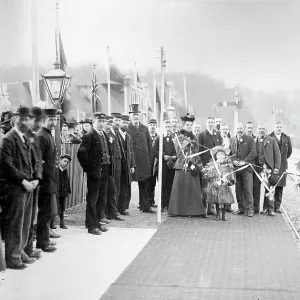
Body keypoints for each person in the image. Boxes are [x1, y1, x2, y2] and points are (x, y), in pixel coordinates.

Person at [0, 106, 42, 269]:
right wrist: (23, 180)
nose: (24, 121)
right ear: (13, 120)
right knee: (15, 223)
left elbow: (37, 160)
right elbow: (6, 164)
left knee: (26, 221)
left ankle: (21, 251)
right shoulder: (8, 139)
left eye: (27, 118)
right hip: (16, 187)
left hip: (29, 185)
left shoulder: (28, 136)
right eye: (21, 118)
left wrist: (37, 179)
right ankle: (13, 257)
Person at [77, 112, 111, 235]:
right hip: (95, 173)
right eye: (98, 121)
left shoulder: (105, 135)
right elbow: (81, 155)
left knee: (102, 199)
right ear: (94, 122)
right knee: (93, 199)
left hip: (105, 172)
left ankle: (97, 222)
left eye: (103, 121)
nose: (101, 124)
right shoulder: (89, 136)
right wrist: (89, 170)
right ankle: (92, 226)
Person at [168, 113, 205, 217]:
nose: (189, 126)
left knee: (193, 190)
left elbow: (196, 151)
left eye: (190, 125)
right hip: (182, 165)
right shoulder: (178, 138)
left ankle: (193, 211)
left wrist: (197, 164)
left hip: (193, 165)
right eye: (187, 125)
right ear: (183, 125)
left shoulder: (195, 138)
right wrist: (188, 162)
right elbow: (179, 153)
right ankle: (178, 211)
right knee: (180, 189)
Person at [36, 109, 60, 252]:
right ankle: (42, 243)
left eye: (55, 119)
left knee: (46, 211)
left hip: (49, 180)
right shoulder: (41, 136)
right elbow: (39, 162)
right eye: (50, 119)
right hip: (44, 181)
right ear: (44, 120)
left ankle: (44, 240)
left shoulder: (47, 135)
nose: (53, 122)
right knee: (44, 212)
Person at [23, 106, 44, 260]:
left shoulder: (35, 136)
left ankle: (29, 248)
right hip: (25, 183)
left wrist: (38, 178)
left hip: (34, 182)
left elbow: (38, 161)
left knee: (31, 217)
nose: (40, 124)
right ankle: (22, 250)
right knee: (24, 219)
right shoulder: (24, 135)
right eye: (39, 121)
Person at [127, 104, 155, 213]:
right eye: (134, 114)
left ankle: (145, 205)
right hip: (132, 161)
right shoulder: (127, 128)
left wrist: (150, 160)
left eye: (137, 114)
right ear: (130, 116)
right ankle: (123, 207)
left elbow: (149, 145)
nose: (135, 116)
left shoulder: (145, 128)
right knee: (127, 184)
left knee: (144, 184)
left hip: (143, 161)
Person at [253, 123, 281, 216]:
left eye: (263, 129)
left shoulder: (272, 140)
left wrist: (276, 167)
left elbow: (277, 155)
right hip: (257, 168)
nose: (261, 130)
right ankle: (256, 208)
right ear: (257, 130)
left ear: (266, 130)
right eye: (259, 128)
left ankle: (269, 209)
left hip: (268, 168)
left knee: (269, 189)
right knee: (256, 189)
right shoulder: (254, 140)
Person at [230, 122, 257, 217]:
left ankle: (250, 210)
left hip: (247, 169)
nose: (239, 130)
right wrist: (233, 161)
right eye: (237, 128)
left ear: (244, 129)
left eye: (241, 128)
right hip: (236, 169)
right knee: (238, 190)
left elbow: (253, 153)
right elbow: (230, 154)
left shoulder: (250, 139)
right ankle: (241, 208)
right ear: (235, 129)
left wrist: (244, 161)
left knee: (248, 189)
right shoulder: (232, 139)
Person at [198, 116, 223, 215]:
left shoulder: (218, 135)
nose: (210, 124)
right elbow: (199, 151)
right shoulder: (201, 135)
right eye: (209, 122)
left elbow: (220, 150)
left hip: (215, 166)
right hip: (206, 165)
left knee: (214, 187)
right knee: (205, 188)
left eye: (212, 122)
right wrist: (202, 165)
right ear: (206, 123)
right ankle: (204, 208)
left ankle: (212, 208)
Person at [203, 146, 235, 221]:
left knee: (224, 200)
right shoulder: (213, 164)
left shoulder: (227, 165)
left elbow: (231, 174)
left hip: (224, 185)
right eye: (219, 155)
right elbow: (208, 174)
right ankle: (217, 214)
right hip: (216, 185)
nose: (221, 156)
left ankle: (223, 215)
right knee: (217, 200)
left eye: (222, 155)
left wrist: (228, 180)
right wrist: (213, 179)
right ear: (216, 156)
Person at [104, 116, 124, 221]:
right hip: (111, 162)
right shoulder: (107, 133)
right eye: (108, 122)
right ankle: (108, 212)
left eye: (111, 121)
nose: (110, 123)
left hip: (118, 161)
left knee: (115, 188)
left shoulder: (116, 132)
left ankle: (113, 211)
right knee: (110, 189)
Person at [268, 121, 292, 213]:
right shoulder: (269, 137)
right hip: (272, 165)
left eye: (280, 127)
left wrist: (283, 161)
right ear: (274, 127)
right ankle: (270, 206)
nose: (279, 128)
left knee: (280, 187)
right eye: (277, 127)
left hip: (282, 166)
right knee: (271, 186)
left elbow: (289, 151)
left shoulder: (286, 138)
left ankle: (277, 206)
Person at [153, 120, 176, 211]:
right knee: (162, 186)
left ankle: (169, 204)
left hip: (171, 166)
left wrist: (175, 156)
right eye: (166, 127)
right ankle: (162, 205)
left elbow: (177, 151)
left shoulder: (174, 139)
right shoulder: (158, 138)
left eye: (169, 127)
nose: (168, 129)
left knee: (170, 186)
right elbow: (153, 151)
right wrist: (163, 156)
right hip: (162, 166)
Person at [117, 115, 136, 215]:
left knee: (127, 187)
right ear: (119, 123)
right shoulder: (116, 135)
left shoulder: (128, 136)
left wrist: (132, 165)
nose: (125, 124)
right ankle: (119, 208)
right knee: (120, 187)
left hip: (127, 165)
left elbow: (131, 152)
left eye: (127, 123)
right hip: (119, 165)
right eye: (123, 122)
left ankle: (124, 207)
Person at [57, 154, 72, 229]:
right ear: (60, 161)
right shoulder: (56, 170)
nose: (66, 163)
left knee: (62, 208)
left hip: (63, 192)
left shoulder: (65, 171)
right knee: (54, 207)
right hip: (57, 191)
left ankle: (62, 222)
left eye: (67, 162)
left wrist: (68, 190)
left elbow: (67, 181)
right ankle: (51, 223)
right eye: (64, 161)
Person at [146, 119, 158, 208]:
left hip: (155, 164)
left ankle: (151, 200)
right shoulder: (145, 137)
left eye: (154, 125)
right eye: (151, 125)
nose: (152, 127)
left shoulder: (158, 137)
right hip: (147, 163)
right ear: (148, 126)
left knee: (153, 183)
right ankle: (144, 202)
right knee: (145, 183)